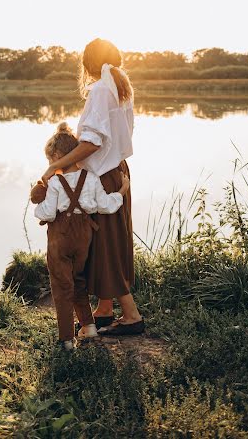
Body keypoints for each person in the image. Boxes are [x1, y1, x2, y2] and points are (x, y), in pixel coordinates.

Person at [41, 38, 144, 336]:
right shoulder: (120, 85)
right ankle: (104, 310)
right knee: (104, 244)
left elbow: (92, 142)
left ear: (88, 63)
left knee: (108, 247)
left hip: (106, 175)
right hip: (117, 171)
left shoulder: (101, 90)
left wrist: (54, 166)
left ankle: (132, 316)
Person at [33, 122, 130, 350]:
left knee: (61, 285)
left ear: (58, 156)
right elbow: (105, 206)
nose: (52, 166)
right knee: (78, 281)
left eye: (51, 161)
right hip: (84, 237)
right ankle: (89, 326)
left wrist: (37, 203)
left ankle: (66, 339)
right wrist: (122, 192)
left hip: (61, 236)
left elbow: (47, 213)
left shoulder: (55, 182)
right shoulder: (91, 178)